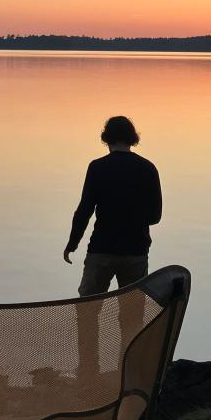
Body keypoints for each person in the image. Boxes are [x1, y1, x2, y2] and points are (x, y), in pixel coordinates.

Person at [63, 116, 162, 295]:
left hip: (102, 249)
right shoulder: (148, 168)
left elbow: (84, 211)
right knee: (132, 314)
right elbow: (155, 217)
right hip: (135, 251)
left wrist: (72, 243)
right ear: (132, 138)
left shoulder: (97, 168)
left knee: (88, 311)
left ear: (106, 138)